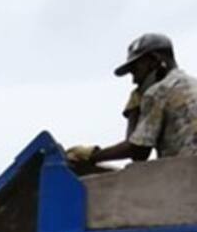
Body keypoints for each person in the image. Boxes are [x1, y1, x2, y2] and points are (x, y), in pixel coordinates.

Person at [67, 33, 197, 165]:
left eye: (135, 70)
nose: (134, 80)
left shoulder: (158, 92)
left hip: (188, 173)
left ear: (154, 60)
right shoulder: (191, 83)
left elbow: (138, 152)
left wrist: (91, 156)